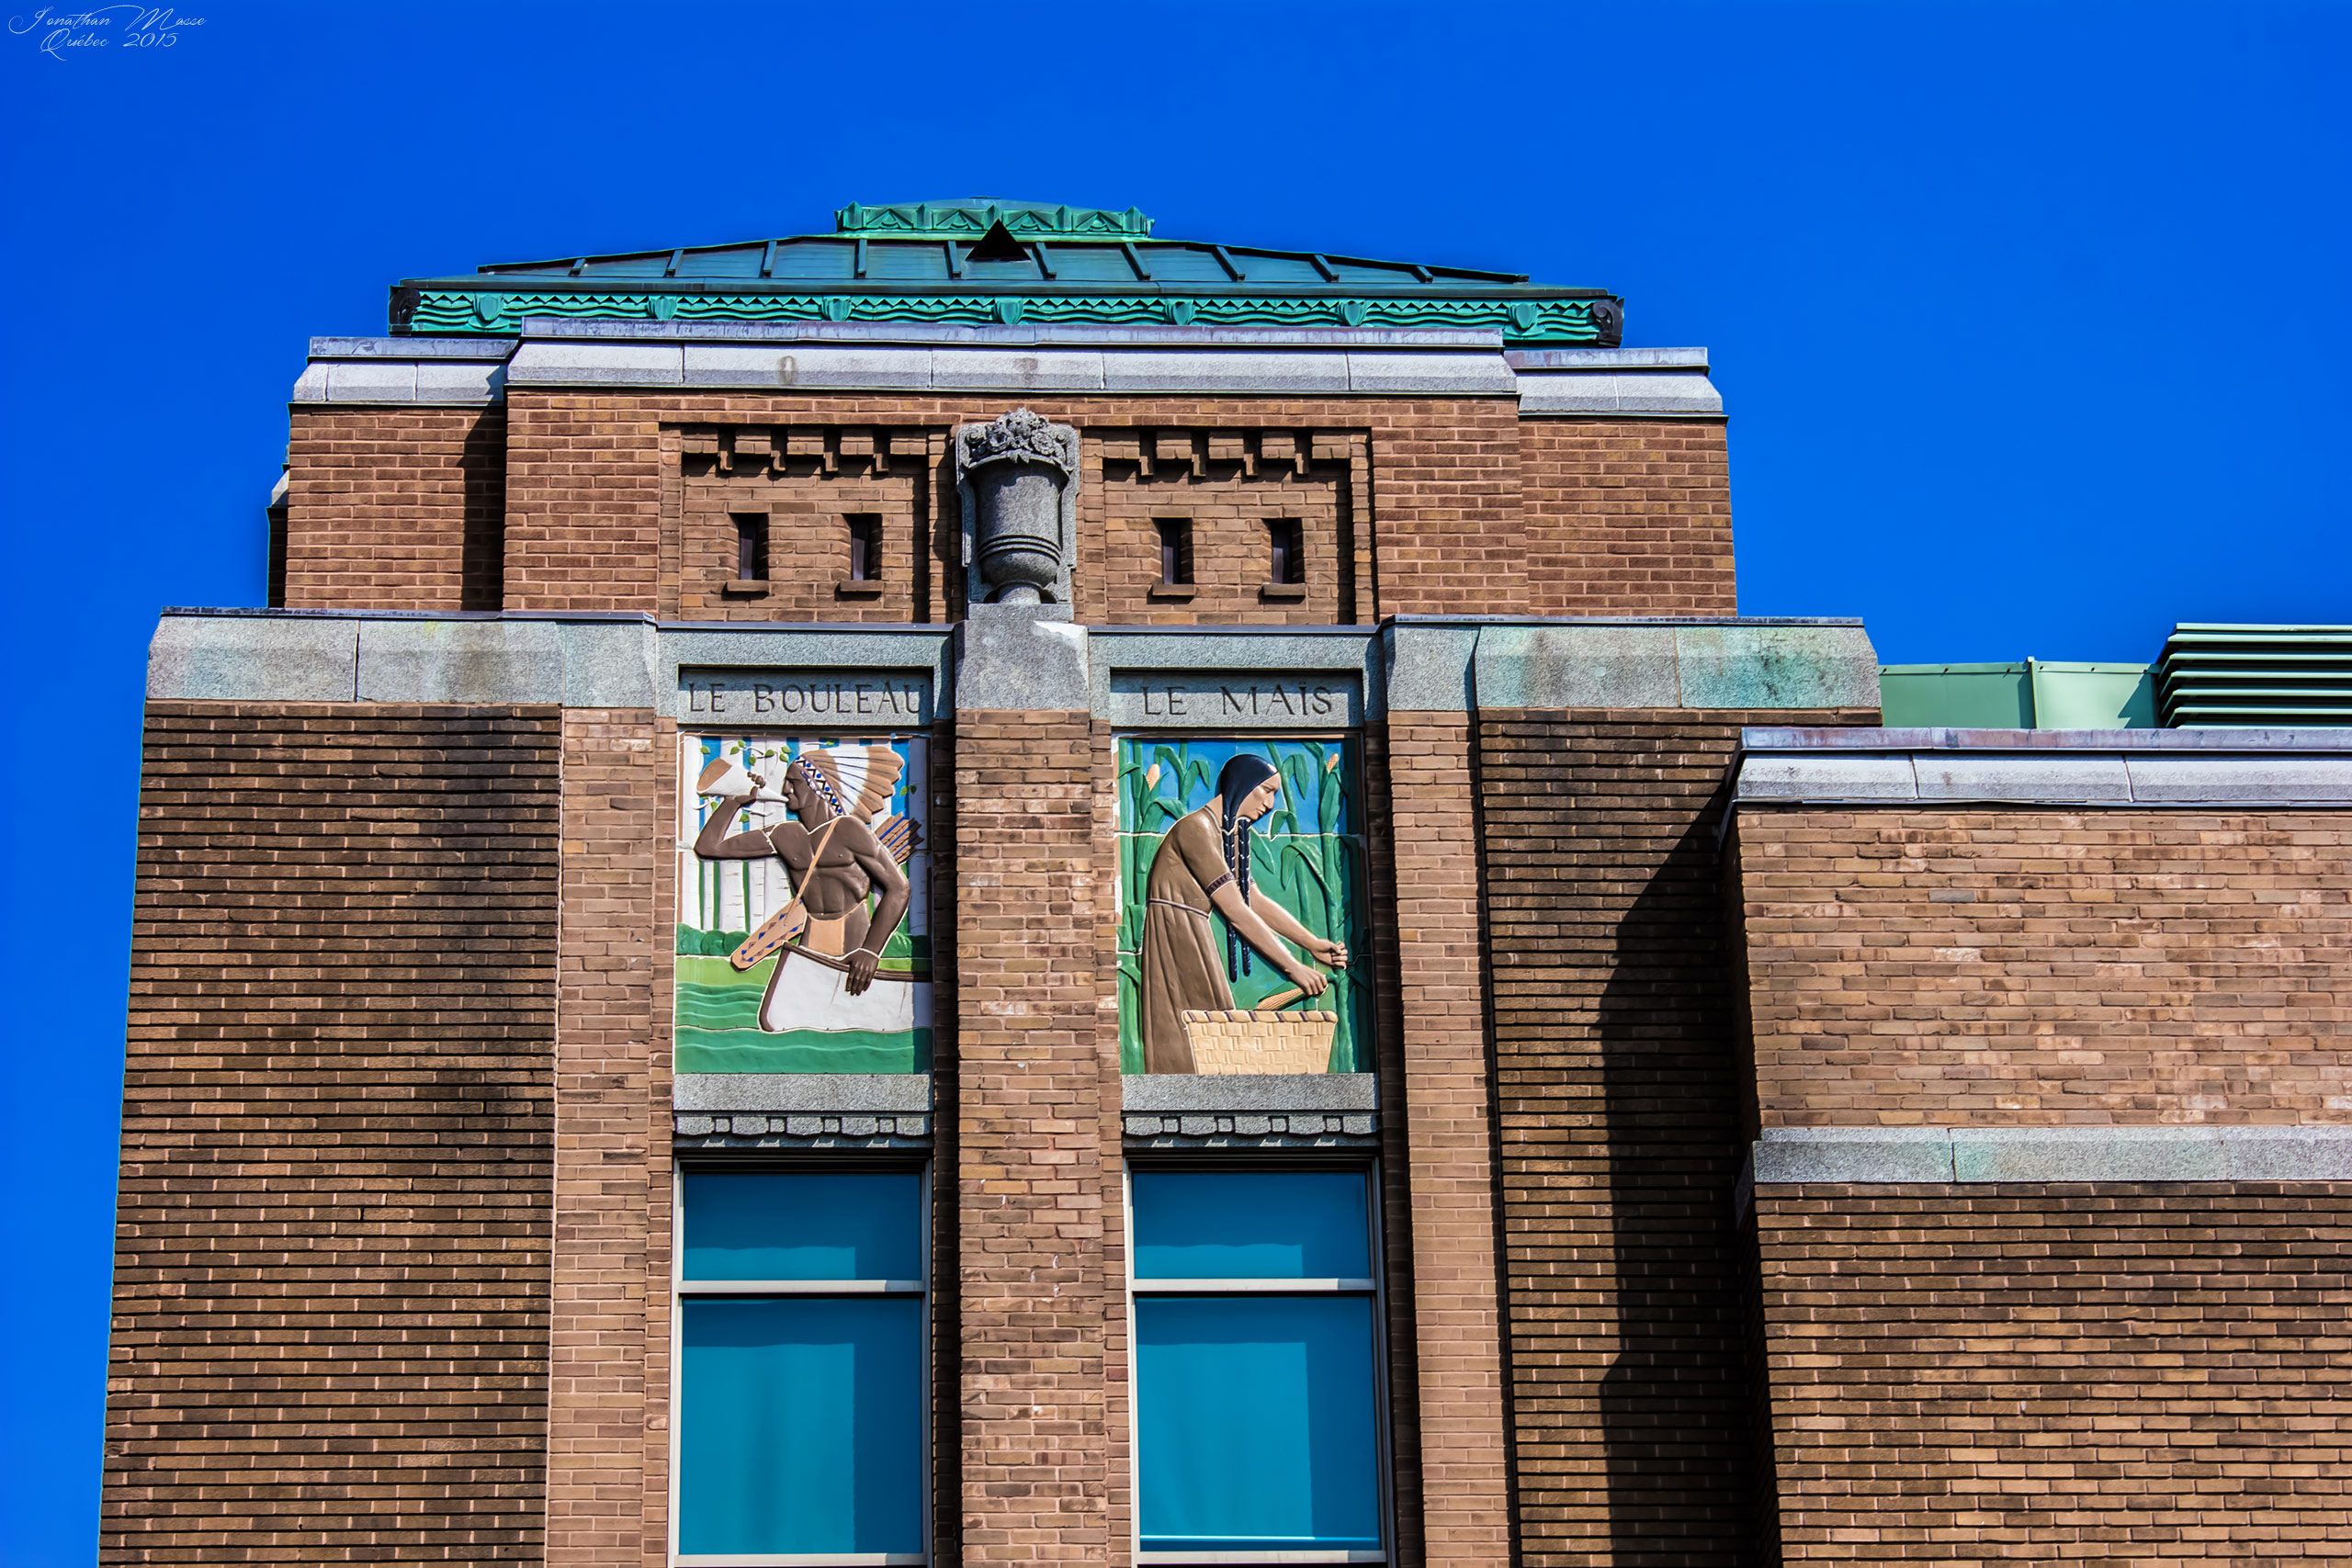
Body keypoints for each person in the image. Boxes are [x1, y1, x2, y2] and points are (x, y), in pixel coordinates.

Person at [1137, 753, 1349, 1073]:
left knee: (1213, 1029)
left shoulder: (1227, 834)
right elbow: (1234, 910)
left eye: (1275, 793)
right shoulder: (1196, 828)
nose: (1270, 803)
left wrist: (1311, 943)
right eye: (1266, 790)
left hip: (1194, 930)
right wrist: (1293, 969)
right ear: (1242, 785)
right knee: (1197, 1031)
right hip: (1175, 934)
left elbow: (1253, 900)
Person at [695, 751, 911, 1021]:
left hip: (853, 931)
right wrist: (734, 802)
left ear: (817, 786)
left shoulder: (848, 830)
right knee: (800, 1011)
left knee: (851, 1011)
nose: (785, 789)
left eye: (793, 782)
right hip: (811, 931)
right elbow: (709, 847)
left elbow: (899, 888)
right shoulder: (786, 834)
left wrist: (870, 951)